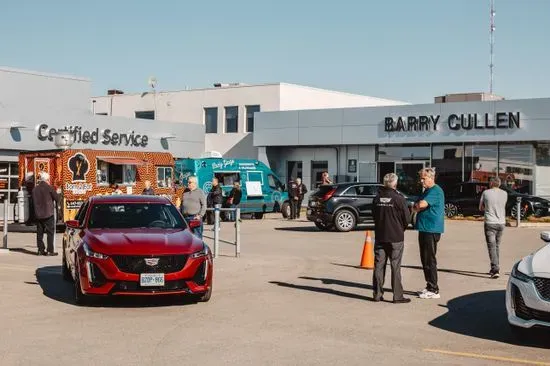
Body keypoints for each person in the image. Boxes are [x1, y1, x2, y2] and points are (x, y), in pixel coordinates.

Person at [372, 173, 411, 304]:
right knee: (395, 266)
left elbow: (374, 216)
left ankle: (377, 294)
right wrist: (400, 228)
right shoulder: (399, 199)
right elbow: (407, 218)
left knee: (379, 265)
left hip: (381, 236)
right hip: (396, 237)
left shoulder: (377, 198)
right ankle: (397, 296)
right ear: (395, 184)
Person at [412, 167, 445, 299]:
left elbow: (420, 205)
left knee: (430, 259)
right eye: (420, 178)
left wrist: (416, 207)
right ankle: (429, 285)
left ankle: (434, 289)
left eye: (423, 178)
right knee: (424, 259)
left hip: (431, 229)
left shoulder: (435, 191)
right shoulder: (427, 191)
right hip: (424, 228)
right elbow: (416, 205)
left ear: (431, 178)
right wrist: (416, 206)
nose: (421, 181)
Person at [479, 176, 507, 278]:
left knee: (491, 246)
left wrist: (487, 207)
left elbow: (480, 207)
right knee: (496, 246)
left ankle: (495, 269)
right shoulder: (505, 193)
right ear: (499, 184)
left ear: (491, 184)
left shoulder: (486, 193)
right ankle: (495, 267)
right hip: (501, 223)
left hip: (490, 223)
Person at [31, 172, 60, 256]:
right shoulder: (49, 188)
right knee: (50, 233)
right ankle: (50, 251)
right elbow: (57, 198)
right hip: (48, 214)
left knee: (39, 233)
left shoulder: (35, 189)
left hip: (38, 214)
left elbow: (32, 202)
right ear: (47, 180)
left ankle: (40, 250)